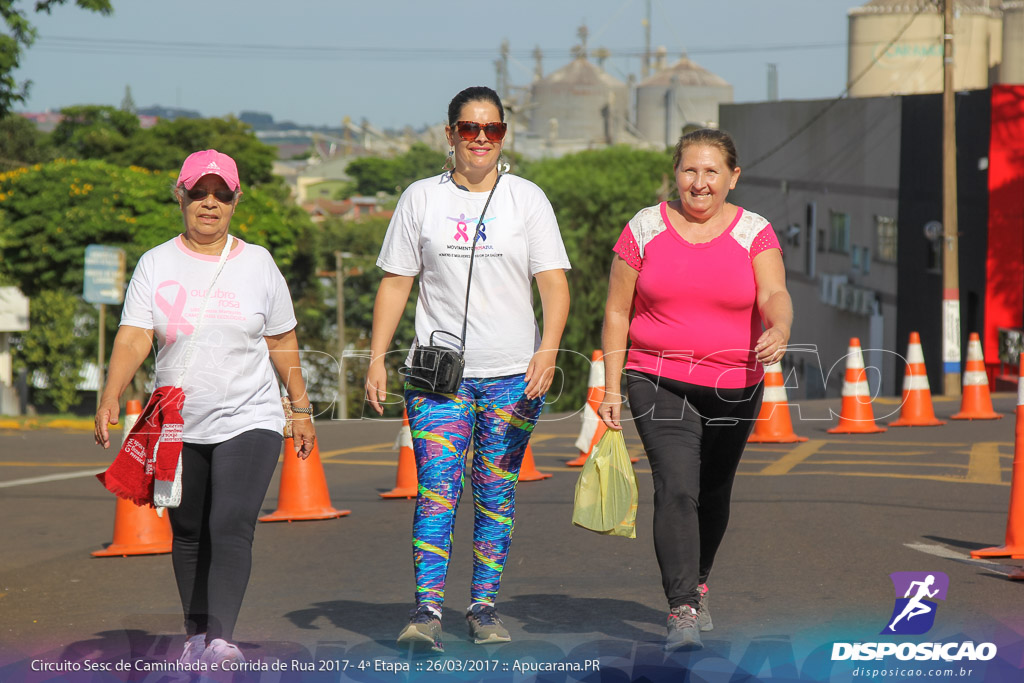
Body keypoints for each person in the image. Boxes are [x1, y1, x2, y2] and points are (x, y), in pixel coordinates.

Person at [365, 86, 570, 652]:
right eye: (470, 128)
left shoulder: (527, 199)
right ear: (449, 133)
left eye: (493, 129)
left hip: (512, 373)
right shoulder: (420, 198)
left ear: (503, 135)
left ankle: (483, 607)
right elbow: (397, 281)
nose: (481, 139)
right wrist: (379, 356)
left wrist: (547, 349)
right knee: (436, 491)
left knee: (496, 493)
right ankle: (427, 611)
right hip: (437, 376)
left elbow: (553, 281)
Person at [94, 149, 316, 666]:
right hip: (176, 422)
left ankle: (221, 638)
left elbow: (282, 339)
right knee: (189, 529)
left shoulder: (258, 263)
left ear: (236, 200)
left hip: (250, 416)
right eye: (199, 193)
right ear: (181, 196)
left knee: (231, 520)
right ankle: (195, 635)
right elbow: (134, 336)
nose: (209, 204)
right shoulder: (156, 262)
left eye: (221, 194)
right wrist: (110, 391)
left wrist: (300, 409)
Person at [598, 128, 793, 652]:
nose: (699, 182)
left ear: (733, 177)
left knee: (713, 491)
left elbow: (774, 291)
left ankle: (699, 579)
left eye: (711, 171)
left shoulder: (755, 231)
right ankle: (682, 607)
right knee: (677, 486)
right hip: (655, 376)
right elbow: (617, 310)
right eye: (690, 170)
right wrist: (611, 388)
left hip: (735, 382)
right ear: (676, 175)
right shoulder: (644, 227)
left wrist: (780, 327)